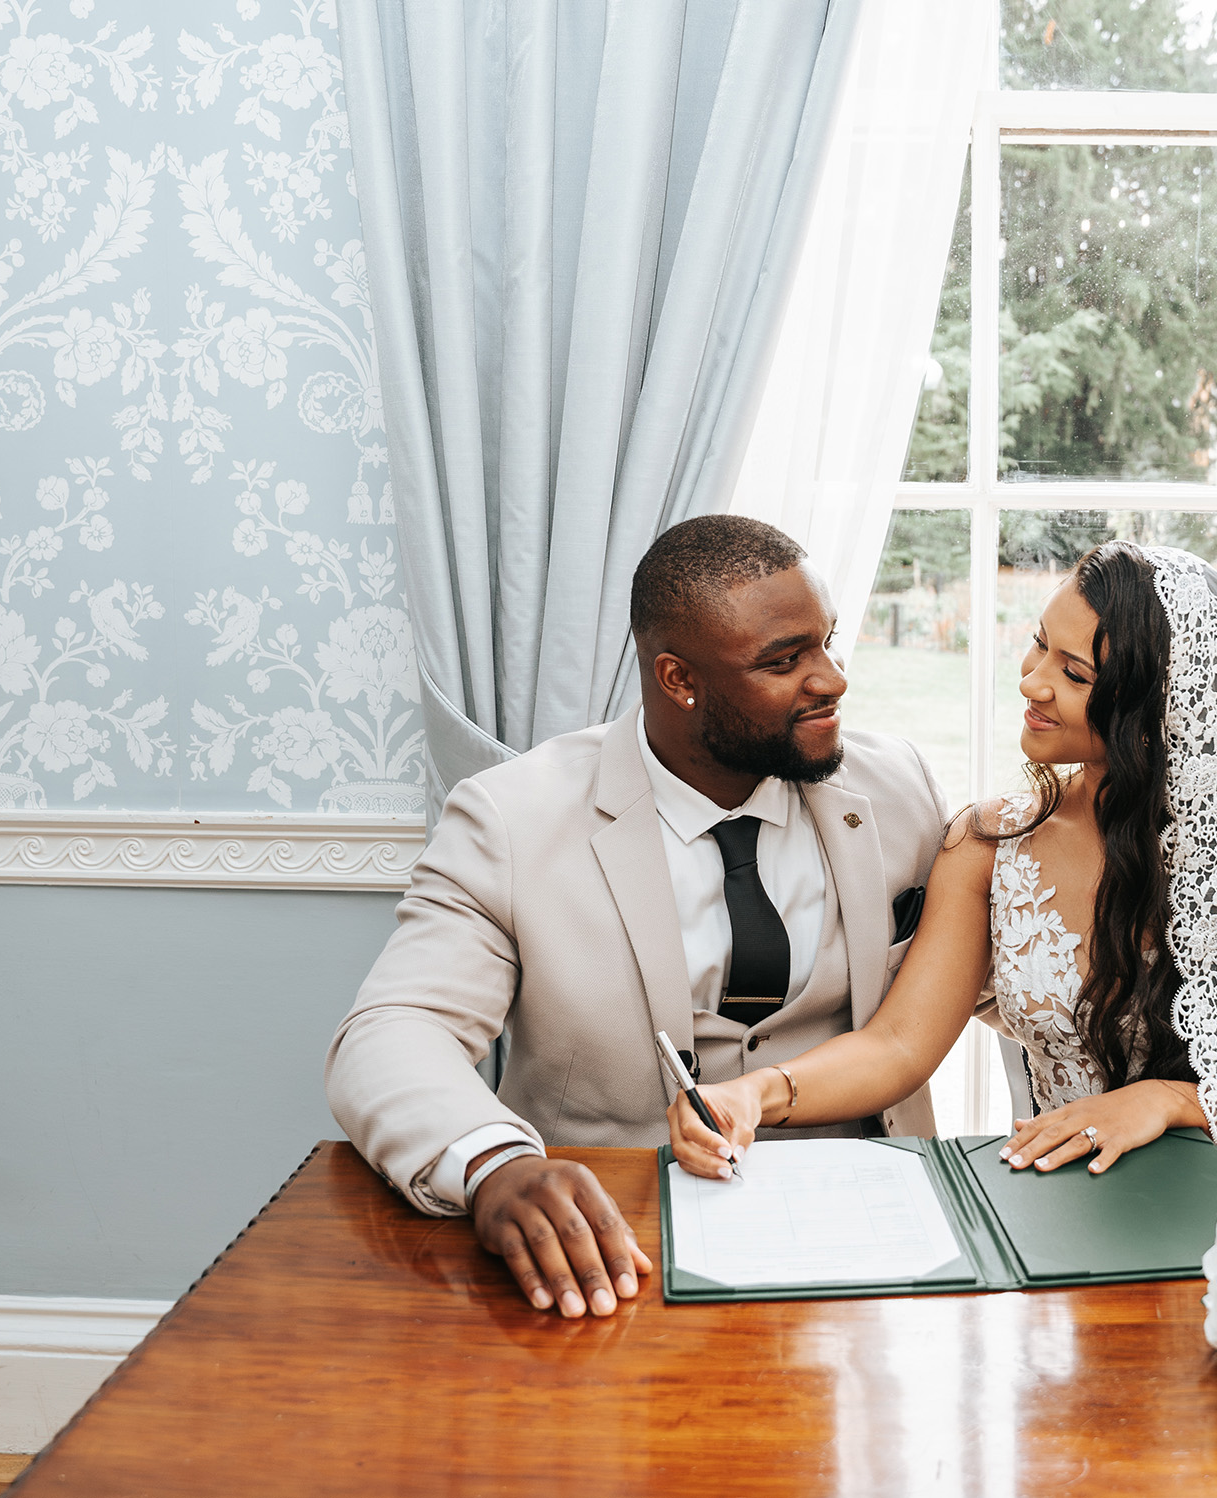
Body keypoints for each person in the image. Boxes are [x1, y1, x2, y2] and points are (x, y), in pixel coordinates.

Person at [326, 515, 947, 1319]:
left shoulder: (898, 788)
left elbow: (1003, 980)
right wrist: (494, 1165)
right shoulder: (513, 819)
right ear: (679, 680)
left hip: (875, 1245)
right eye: (783, 661)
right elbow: (391, 1030)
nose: (830, 681)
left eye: (827, 644)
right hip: (617, 1256)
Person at [668, 541, 1217, 1179]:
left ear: (1159, 707)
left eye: (1076, 672)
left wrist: (1170, 1101)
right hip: (1054, 1205)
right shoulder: (990, 842)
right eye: (1038, 645)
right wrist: (755, 1093)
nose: (1032, 682)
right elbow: (899, 1046)